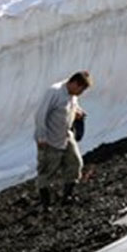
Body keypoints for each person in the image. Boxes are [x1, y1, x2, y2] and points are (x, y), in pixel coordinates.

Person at [34, 71, 92, 209]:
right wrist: (41, 137)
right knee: (47, 171)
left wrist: (78, 112)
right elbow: (40, 115)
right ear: (74, 84)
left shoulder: (72, 94)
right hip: (50, 139)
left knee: (75, 163)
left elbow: (72, 106)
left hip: (66, 136)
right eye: (81, 90)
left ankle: (68, 196)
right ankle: (45, 204)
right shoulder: (54, 92)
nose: (80, 93)